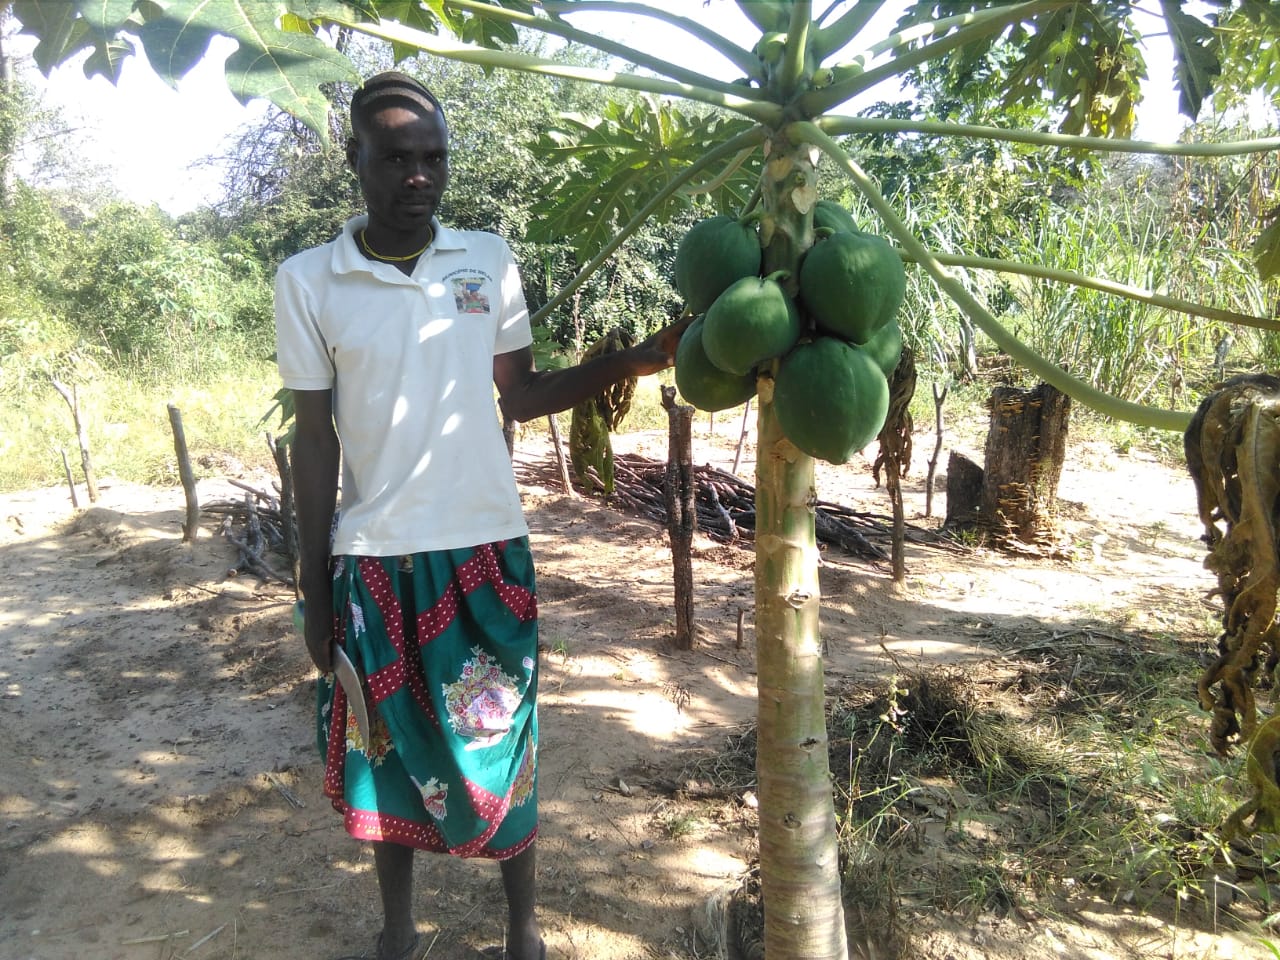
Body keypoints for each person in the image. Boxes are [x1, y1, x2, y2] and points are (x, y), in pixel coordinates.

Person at [274, 72, 685, 960]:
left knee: (505, 741)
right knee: (383, 750)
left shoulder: (487, 261)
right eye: (395, 158)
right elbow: (315, 441)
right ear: (354, 160)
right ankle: (397, 932)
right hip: (376, 555)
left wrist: (640, 359)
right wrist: (312, 584)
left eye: (434, 158)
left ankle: (523, 931)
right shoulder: (309, 282)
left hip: (486, 551)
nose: (418, 176)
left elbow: (525, 393)